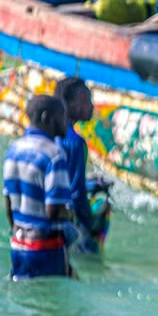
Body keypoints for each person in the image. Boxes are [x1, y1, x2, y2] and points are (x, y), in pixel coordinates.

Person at [3, 95, 74, 279]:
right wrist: (70, 216)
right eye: (62, 115)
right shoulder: (54, 154)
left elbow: (9, 205)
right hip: (46, 247)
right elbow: (53, 211)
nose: (66, 121)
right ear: (46, 118)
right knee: (54, 305)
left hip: (18, 245)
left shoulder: (13, 150)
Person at [53, 77, 110, 254]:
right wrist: (91, 223)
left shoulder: (49, 134)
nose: (92, 107)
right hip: (66, 220)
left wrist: (90, 184)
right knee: (103, 202)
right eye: (86, 101)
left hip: (45, 214)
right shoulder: (76, 142)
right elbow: (76, 194)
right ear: (70, 106)